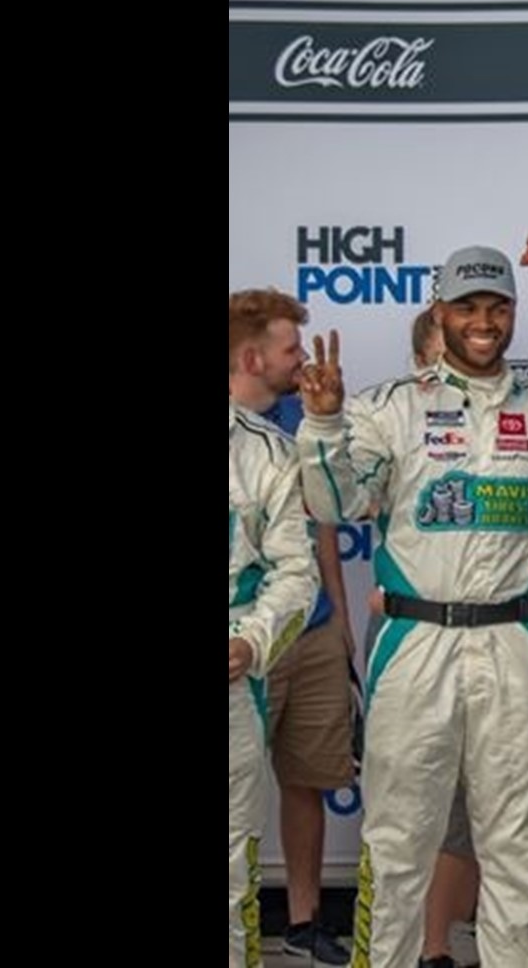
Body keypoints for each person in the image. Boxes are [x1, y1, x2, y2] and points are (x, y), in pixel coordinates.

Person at [295, 245, 528, 968]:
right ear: (441, 314)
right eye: (467, 307)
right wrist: (324, 425)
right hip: (416, 641)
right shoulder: (393, 406)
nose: (483, 321)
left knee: (517, 845)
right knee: (396, 846)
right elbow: (336, 502)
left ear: (512, 313)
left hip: (514, 640)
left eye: (497, 306)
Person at [229, 288, 356, 965]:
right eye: (289, 350)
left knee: (306, 777)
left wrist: (336, 626)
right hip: (249, 642)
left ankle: (303, 922)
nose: (302, 361)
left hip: (305, 629)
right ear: (251, 357)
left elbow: (324, 535)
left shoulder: (310, 418)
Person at [231, 385, 320, 966]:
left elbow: (297, 574)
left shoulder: (264, 451)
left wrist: (251, 642)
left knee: (230, 871)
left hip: (231, 689)